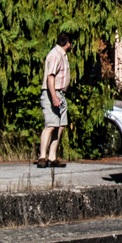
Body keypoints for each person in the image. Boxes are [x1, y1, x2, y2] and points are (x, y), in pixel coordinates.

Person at [37, 31, 74, 168]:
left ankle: (52, 157)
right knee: (51, 125)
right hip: (52, 93)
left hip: (60, 94)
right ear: (68, 43)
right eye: (71, 43)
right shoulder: (55, 55)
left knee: (60, 126)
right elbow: (50, 76)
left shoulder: (62, 55)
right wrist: (54, 96)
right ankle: (42, 156)